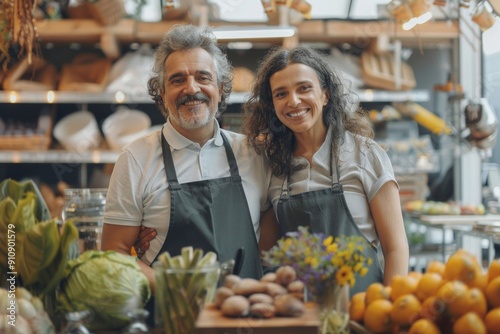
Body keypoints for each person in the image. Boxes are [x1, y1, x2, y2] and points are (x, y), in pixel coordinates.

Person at [101, 24, 272, 292]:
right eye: (177, 79)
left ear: (220, 87)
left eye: (203, 77)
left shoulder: (253, 153)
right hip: (170, 318)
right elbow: (114, 253)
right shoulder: (135, 159)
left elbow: (268, 245)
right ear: (161, 92)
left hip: (243, 315)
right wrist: (176, 290)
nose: (191, 89)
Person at [241, 46, 409, 294]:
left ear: (326, 95)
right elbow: (269, 257)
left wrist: (390, 310)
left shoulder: (365, 154)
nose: (294, 101)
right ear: (272, 105)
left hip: (362, 313)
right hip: (299, 316)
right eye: (281, 94)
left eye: (304, 88)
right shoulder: (271, 166)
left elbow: (395, 247)